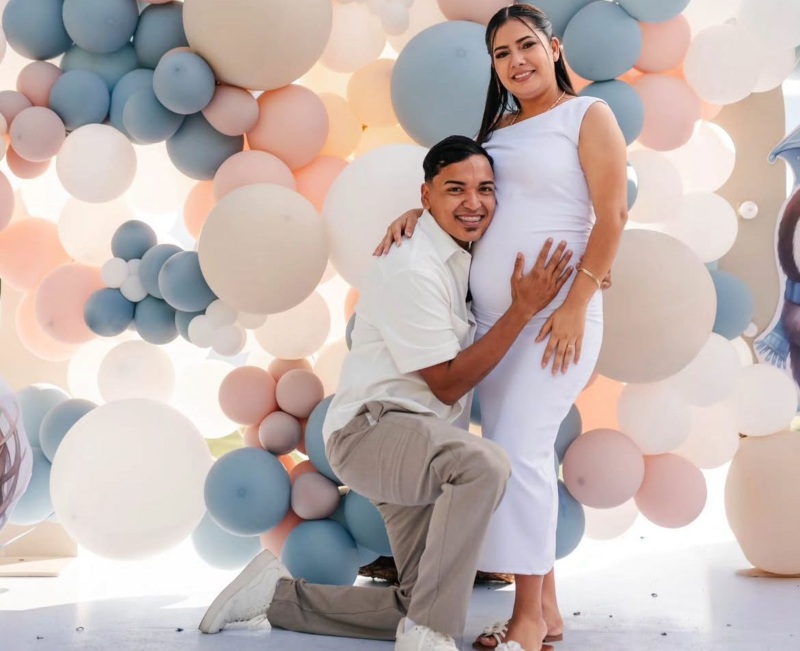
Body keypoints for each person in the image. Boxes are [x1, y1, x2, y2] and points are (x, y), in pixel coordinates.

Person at [199, 135, 575, 651]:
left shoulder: (461, 253)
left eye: (485, 189)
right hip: (372, 432)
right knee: (483, 465)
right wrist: (522, 310)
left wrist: (588, 275)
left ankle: (275, 598)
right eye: (455, 190)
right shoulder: (411, 268)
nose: (474, 202)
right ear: (426, 195)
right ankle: (429, 635)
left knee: (420, 597)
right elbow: (445, 381)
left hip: (420, 440)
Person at [376, 4, 628, 651]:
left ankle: (525, 619)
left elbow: (612, 214)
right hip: (496, 323)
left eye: (526, 45)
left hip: (556, 317)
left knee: (518, 449)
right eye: (501, 53)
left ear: (554, 47)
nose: (516, 61)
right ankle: (547, 612)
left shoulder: (587, 116)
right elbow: (476, 199)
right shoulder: (499, 129)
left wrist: (576, 303)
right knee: (517, 454)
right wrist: (420, 210)